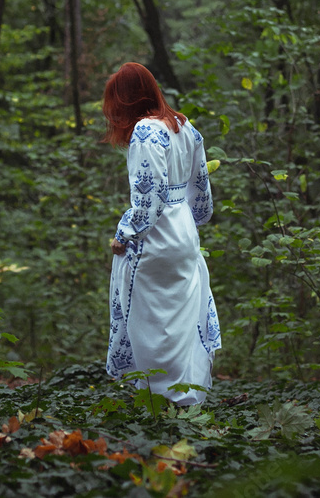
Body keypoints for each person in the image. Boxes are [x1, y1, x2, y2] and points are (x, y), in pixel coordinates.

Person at [103, 62, 221, 406]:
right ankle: (187, 400)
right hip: (183, 235)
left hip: (155, 240)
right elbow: (203, 197)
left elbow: (147, 202)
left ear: (125, 101)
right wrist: (189, 224)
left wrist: (124, 235)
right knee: (180, 322)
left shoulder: (144, 132)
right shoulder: (186, 128)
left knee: (149, 323)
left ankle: (157, 400)